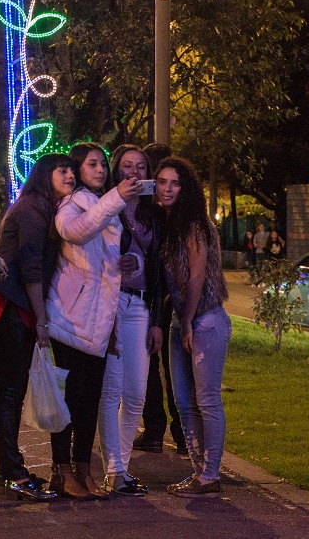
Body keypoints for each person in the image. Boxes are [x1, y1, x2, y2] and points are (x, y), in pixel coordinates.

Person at [47, 142, 141, 500]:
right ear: (78, 169)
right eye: (92, 164)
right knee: (68, 402)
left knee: (89, 401)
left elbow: (114, 262)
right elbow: (77, 231)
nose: (100, 170)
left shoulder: (109, 208)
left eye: (103, 164)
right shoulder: (73, 204)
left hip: (99, 322)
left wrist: (135, 264)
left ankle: (84, 471)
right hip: (70, 320)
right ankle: (62, 471)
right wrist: (116, 197)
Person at [0, 154, 75, 502]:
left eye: (71, 170)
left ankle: (8, 468)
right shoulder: (31, 211)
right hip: (12, 306)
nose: (70, 175)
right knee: (8, 391)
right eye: (62, 170)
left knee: (12, 390)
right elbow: (31, 270)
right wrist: (41, 320)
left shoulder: (43, 209)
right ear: (44, 175)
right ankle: (11, 473)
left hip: (18, 305)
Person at [155, 157, 231, 497]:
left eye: (175, 183)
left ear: (186, 189)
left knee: (207, 400)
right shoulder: (168, 224)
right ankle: (199, 472)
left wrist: (186, 322)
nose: (167, 189)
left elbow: (197, 277)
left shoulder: (195, 225)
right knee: (184, 401)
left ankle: (210, 474)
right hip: (180, 321)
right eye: (162, 182)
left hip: (206, 321)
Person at [97, 145, 164, 497]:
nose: (134, 172)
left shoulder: (154, 215)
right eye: (126, 166)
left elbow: (158, 269)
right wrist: (116, 265)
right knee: (112, 390)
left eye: (140, 167)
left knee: (136, 392)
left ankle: (120, 465)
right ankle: (115, 471)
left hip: (140, 305)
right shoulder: (107, 206)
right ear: (115, 171)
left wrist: (157, 319)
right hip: (110, 304)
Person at [135, 141, 187, 458]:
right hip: (170, 298)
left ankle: (156, 430)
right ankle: (180, 435)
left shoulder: (153, 213)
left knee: (154, 367)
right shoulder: (176, 211)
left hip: (160, 297)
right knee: (172, 368)